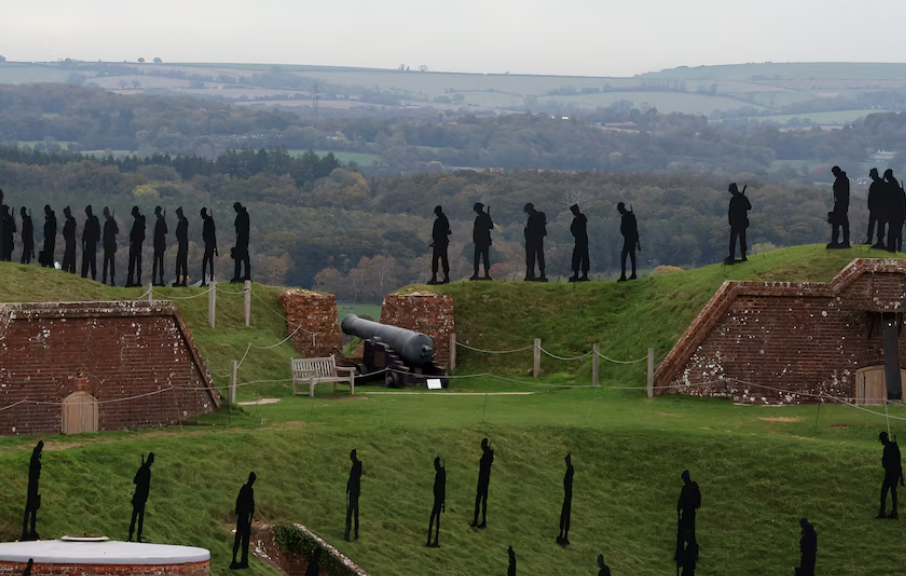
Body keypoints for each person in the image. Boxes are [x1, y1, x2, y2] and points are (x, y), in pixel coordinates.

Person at [230, 471, 256, 570]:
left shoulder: (245, 489)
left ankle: (239, 560)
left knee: (239, 540)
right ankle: (241, 561)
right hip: (244, 519)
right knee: (243, 541)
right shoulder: (248, 490)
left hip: (242, 518)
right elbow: (250, 505)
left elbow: (239, 502)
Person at [128, 452, 155, 542]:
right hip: (140, 497)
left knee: (136, 517)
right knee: (137, 518)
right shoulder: (146, 471)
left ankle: (133, 536)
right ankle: (134, 536)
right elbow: (136, 481)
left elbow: (136, 481)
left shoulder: (144, 470)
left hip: (140, 498)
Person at [877, 431, 903, 519]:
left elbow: (895, 462)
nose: (881, 442)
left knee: (888, 492)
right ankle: (889, 511)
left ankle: (890, 512)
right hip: (892, 473)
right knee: (890, 492)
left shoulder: (888, 448)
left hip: (891, 473)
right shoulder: (893, 447)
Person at [21, 441, 43, 541]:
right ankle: (27, 529)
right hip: (32, 486)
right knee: (30, 508)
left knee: (31, 509)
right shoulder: (35, 458)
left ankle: (30, 529)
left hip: (34, 484)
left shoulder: (36, 456)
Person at [470, 437, 494, 528]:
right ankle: (481, 521)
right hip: (485, 480)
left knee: (479, 501)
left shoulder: (487, 455)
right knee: (482, 501)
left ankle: (478, 520)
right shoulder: (488, 454)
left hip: (483, 481)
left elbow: (485, 465)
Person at [725, 183, 751, 265]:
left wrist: (742, 203)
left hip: (739, 222)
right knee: (736, 240)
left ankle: (742, 255)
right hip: (738, 222)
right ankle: (733, 255)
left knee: (739, 240)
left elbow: (749, 207)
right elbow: (730, 212)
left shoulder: (738, 199)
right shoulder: (735, 199)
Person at [676, 470, 701, 551]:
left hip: (687, 512)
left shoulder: (686, 488)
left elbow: (682, 500)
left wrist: (679, 508)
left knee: (687, 530)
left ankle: (692, 547)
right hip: (691, 512)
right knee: (690, 529)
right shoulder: (694, 487)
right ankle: (692, 546)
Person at [827, 166, 850, 249]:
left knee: (838, 224)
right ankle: (842, 241)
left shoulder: (842, 180)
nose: (833, 174)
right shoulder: (843, 179)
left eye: (834, 173)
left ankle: (837, 241)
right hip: (841, 205)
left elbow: (841, 194)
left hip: (841, 205)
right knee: (842, 224)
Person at [523, 202, 547, 282]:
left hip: (535, 240)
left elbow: (539, 229)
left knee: (536, 257)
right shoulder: (537, 217)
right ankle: (533, 273)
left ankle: (535, 274)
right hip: (534, 240)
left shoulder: (536, 217)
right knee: (533, 257)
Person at [470, 202, 493, 281]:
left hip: (483, 240)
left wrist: (488, 219)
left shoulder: (484, 217)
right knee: (478, 258)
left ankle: (486, 273)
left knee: (484, 258)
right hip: (479, 241)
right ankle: (477, 273)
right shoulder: (481, 217)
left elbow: (491, 226)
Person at [428, 205, 451, 285]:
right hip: (440, 243)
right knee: (441, 260)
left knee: (439, 260)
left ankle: (440, 277)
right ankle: (441, 277)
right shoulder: (443, 220)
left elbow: (441, 232)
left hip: (441, 243)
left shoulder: (441, 220)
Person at [617, 202, 639, 282]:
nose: (619, 211)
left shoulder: (625, 217)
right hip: (631, 239)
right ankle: (633, 274)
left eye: (619, 210)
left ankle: (624, 275)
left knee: (624, 256)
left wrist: (626, 234)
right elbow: (635, 229)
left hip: (628, 239)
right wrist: (637, 240)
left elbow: (625, 228)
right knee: (632, 256)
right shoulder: (630, 216)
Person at [426, 456, 445, 548]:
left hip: (437, 500)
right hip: (439, 500)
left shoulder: (439, 474)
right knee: (437, 520)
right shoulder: (442, 473)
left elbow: (438, 488)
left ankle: (430, 541)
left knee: (432, 519)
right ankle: (435, 541)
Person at [885, 169, 905, 253]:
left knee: (893, 232)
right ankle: (896, 249)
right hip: (899, 213)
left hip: (895, 213)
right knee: (897, 232)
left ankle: (892, 248)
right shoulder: (895, 184)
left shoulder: (891, 185)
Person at [866, 168, 887, 248]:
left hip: (875, 208)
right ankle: (879, 240)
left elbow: (870, 197)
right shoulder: (883, 184)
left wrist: (870, 206)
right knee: (880, 225)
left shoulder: (874, 184)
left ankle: (871, 239)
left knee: (873, 225)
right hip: (881, 208)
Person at [345, 449, 363, 541]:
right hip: (355, 491)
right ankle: (354, 533)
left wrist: (348, 488)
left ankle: (348, 533)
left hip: (354, 492)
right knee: (355, 512)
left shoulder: (356, 466)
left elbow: (352, 479)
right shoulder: (358, 465)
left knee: (351, 512)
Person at [568, 204, 589, 282]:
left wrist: (576, 232)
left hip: (582, 240)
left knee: (583, 257)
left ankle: (584, 274)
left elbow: (575, 228)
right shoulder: (577, 219)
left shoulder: (581, 218)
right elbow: (572, 228)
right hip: (579, 240)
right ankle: (577, 274)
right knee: (576, 257)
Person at [557, 453, 575, 545]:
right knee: (565, 514)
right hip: (567, 495)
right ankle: (562, 534)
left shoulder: (570, 470)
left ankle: (564, 534)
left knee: (565, 514)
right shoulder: (570, 470)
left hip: (568, 495)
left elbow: (566, 482)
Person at [231, 202, 250, 283]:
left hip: (242, 239)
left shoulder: (242, 215)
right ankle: (242, 275)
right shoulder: (244, 215)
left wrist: (239, 239)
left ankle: (241, 275)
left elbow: (241, 229)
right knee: (242, 258)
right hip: (243, 239)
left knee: (241, 258)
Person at [126, 207, 145, 287]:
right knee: (132, 264)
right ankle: (131, 280)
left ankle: (137, 280)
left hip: (136, 244)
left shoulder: (140, 220)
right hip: (135, 244)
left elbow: (137, 233)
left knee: (136, 263)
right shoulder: (138, 221)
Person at [81, 205, 100, 280]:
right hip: (89, 243)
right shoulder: (89, 221)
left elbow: (96, 231)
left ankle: (92, 276)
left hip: (91, 243)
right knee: (87, 260)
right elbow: (85, 232)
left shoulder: (93, 220)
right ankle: (84, 275)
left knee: (92, 261)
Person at [101, 207, 118, 286]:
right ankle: (104, 279)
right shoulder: (107, 223)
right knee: (106, 263)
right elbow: (104, 235)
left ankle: (112, 280)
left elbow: (116, 231)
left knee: (111, 263)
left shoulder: (111, 222)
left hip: (111, 245)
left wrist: (112, 227)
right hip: (107, 245)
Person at [151, 206, 168, 287]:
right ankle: (154, 280)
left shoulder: (161, 220)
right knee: (156, 263)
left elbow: (166, 231)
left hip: (160, 244)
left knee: (159, 263)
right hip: (158, 244)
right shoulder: (160, 220)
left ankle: (160, 279)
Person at [201, 207, 217, 286]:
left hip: (209, 245)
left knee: (208, 262)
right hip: (208, 244)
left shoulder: (208, 221)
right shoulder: (207, 221)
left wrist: (214, 246)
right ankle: (207, 280)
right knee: (208, 262)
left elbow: (213, 233)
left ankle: (210, 280)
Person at [173, 207, 189, 287]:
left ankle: (183, 281)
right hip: (182, 244)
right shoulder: (182, 222)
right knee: (179, 263)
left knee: (182, 263)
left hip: (183, 245)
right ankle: (179, 280)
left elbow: (178, 232)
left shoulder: (183, 222)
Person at [61, 206, 76, 274]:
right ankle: (67, 268)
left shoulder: (71, 221)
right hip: (69, 241)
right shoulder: (70, 221)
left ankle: (68, 269)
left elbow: (68, 230)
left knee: (70, 256)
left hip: (71, 241)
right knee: (69, 255)